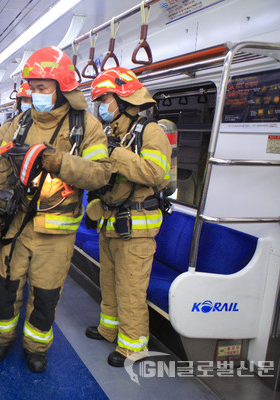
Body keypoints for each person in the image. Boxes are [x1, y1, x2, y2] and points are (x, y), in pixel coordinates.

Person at [0, 46, 112, 373]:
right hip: (15, 225)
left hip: (57, 231)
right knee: (5, 289)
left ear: (62, 88)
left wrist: (61, 163)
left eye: (42, 88)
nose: (34, 93)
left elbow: (101, 174)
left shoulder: (88, 127)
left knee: (45, 295)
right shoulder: (14, 126)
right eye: (31, 87)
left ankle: (36, 347)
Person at [83, 67, 172, 367]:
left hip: (137, 227)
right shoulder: (114, 133)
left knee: (130, 289)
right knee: (107, 281)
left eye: (105, 99)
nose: (101, 106)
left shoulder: (151, 131)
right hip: (110, 222)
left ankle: (133, 348)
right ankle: (110, 330)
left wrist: (116, 154)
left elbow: (156, 174)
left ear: (123, 100)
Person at [0, 82, 33, 269]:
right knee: (4, 220)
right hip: (8, 183)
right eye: (24, 100)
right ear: (19, 102)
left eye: (30, 99)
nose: (27, 103)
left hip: (32, 188)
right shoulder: (8, 128)